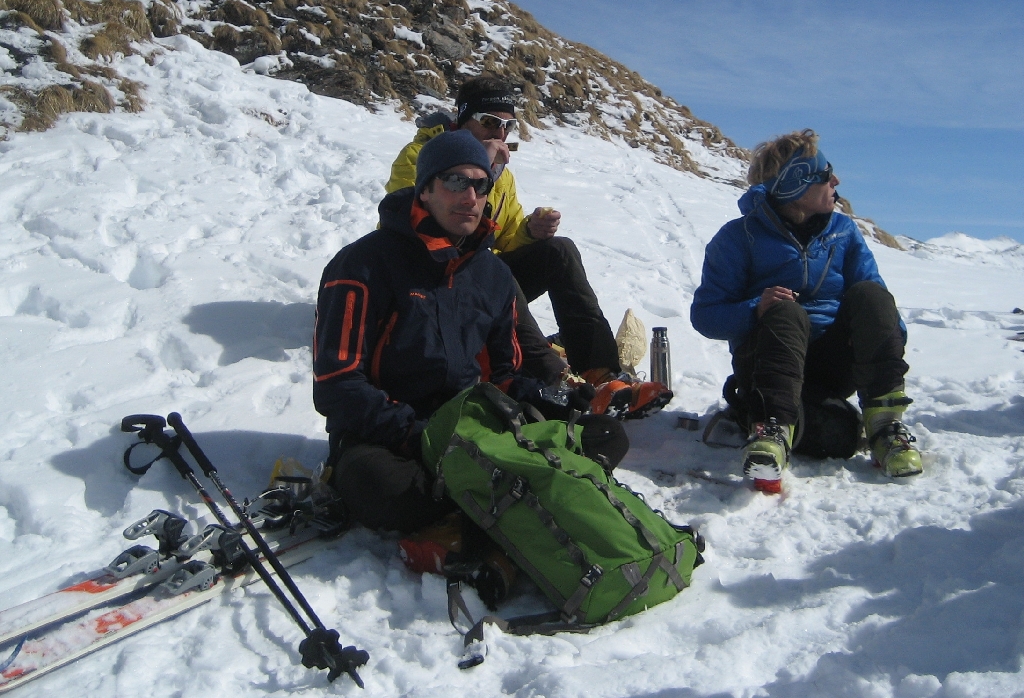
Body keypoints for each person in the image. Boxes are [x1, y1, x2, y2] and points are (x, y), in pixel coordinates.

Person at [314, 129, 628, 537]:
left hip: (471, 423)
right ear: (425, 190)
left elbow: (503, 375)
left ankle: (485, 492)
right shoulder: (362, 264)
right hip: (389, 436)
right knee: (384, 487)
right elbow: (337, 385)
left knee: (607, 435)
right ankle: (516, 490)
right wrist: (416, 433)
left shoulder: (492, 274)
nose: (470, 196)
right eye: (455, 181)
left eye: (480, 185)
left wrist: (548, 396)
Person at [690, 129, 922, 491]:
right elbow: (706, 315)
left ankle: (885, 427)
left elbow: (878, 306)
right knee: (786, 310)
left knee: (872, 296)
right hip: (767, 365)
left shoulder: (843, 231)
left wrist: (887, 343)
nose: (836, 181)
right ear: (794, 188)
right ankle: (772, 431)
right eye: (825, 175)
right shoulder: (739, 237)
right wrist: (756, 309)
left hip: (831, 365)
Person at [385, 75, 625, 389]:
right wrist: (477, 167)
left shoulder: (502, 175)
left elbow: (506, 239)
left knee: (559, 251)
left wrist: (531, 231)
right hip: (428, 281)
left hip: (483, 281)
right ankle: (554, 378)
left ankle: (599, 372)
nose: (499, 133)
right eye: (489, 121)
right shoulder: (420, 156)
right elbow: (412, 224)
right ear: (463, 120)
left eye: (508, 125)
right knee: (492, 268)